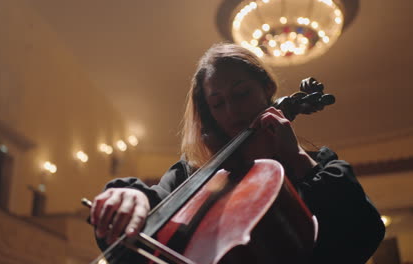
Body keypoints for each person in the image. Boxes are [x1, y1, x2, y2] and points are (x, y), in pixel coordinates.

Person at [90, 43, 385, 263]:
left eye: (242, 93)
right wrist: (132, 198)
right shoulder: (192, 172)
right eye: (218, 103)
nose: (232, 111)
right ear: (209, 112)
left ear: (266, 88)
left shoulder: (317, 166)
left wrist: (295, 157)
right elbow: (150, 221)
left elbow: (364, 232)